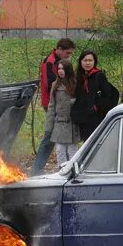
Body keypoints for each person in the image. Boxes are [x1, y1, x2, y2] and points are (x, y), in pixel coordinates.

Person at [31, 38, 76, 175]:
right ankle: (37, 169)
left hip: (60, 103)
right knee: (50, 136)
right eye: (67, 53)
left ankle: (65, 166)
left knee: (55, 137)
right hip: (52, 104)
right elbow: (49, 84)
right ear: (60, 50)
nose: (69, 56)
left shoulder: (58, 62)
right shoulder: (50, 62)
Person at [44, 60, 81, 167]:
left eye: (63, 68)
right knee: (60, 151)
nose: (60, 71)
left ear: (68, 70)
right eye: (59, 68)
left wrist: (74, 102)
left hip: (72, 124)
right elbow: (51, 107)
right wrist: (48, 128)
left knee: (72, 152)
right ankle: (62, 174)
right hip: (59, 124)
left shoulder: (75, 84)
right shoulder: (55, 85)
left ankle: (73, 173)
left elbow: (81, 102)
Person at [74, 50, 112, 141]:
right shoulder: (78, 77)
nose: (87, 63)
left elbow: (107, 96)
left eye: (90, 60)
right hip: (82, 116)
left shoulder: (99, 75)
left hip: (96, 116)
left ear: (94, 62)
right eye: (85, 60)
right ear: (81, 62)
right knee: (86, 143)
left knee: (96, 141)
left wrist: (95, 107)